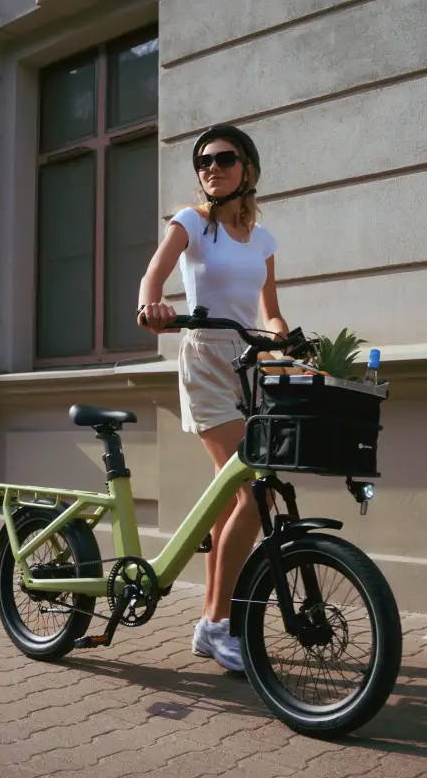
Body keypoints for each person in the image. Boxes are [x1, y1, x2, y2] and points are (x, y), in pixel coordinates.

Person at [135, 125, 289, 672]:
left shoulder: (262, 241)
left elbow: (270, 311)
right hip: (204, 356)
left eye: (224, 159)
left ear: (248, 169)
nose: (211, 168)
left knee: (231, 499)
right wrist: (151, 306)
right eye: (203, 161)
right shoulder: (192, 223)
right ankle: (217, 624)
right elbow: (153, 274)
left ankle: (211, 623)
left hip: (249, 363)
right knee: (254, 485)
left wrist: (283, 337)